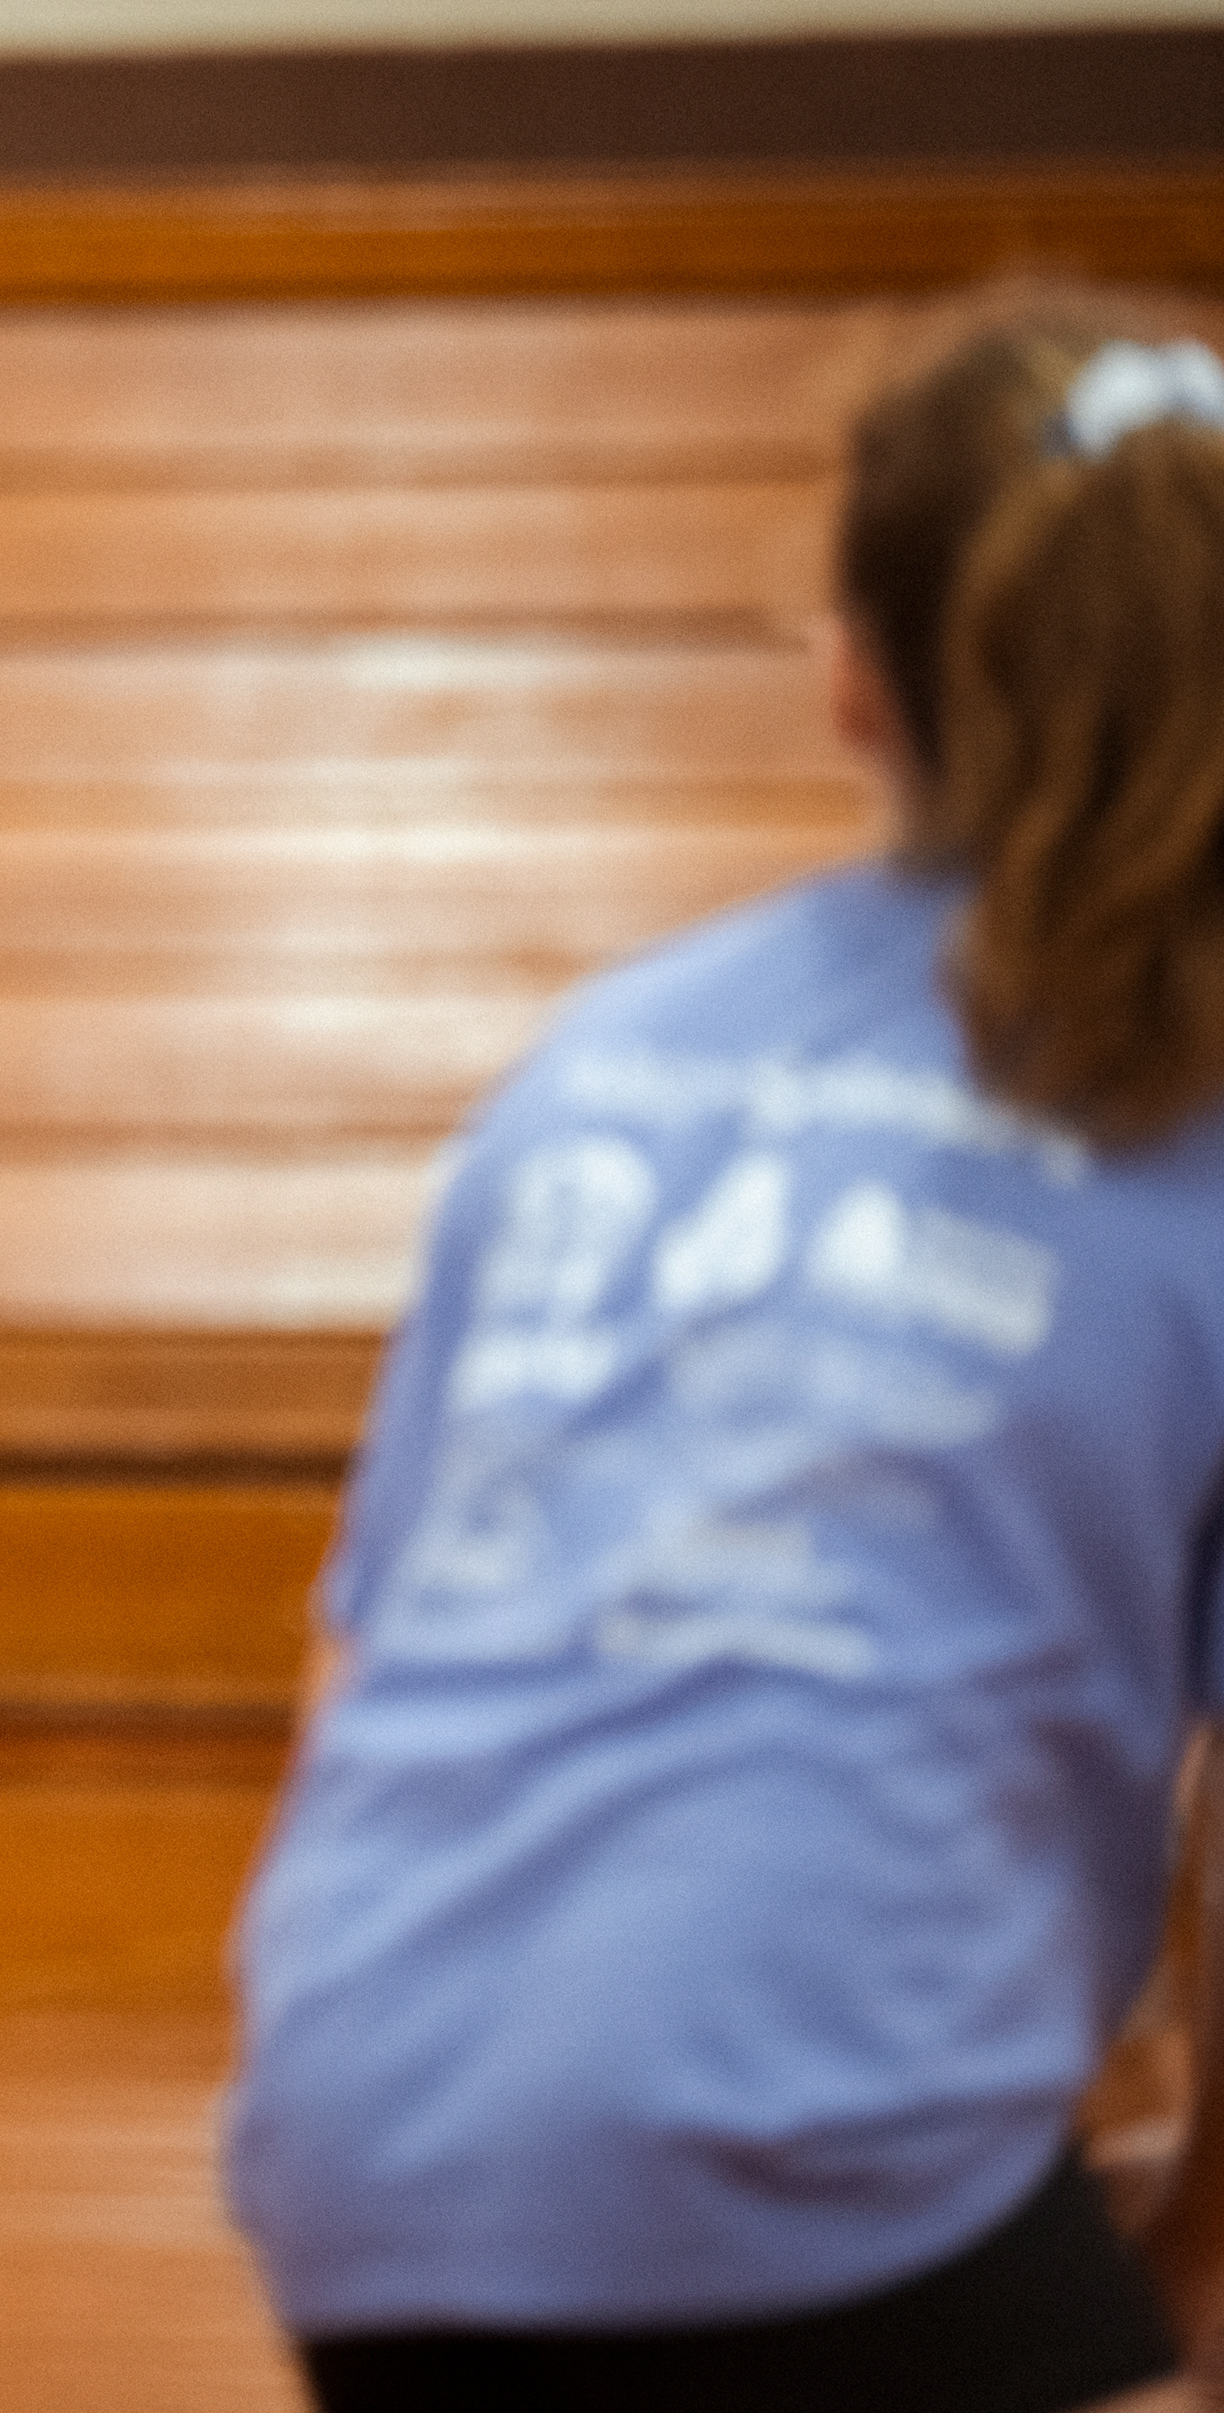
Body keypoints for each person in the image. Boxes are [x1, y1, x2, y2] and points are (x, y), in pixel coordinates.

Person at [224, 305, 1224, 2413]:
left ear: (852, 675)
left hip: (371, 2137)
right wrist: (1200, 2237)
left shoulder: (608, 1051)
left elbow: (368, 1663)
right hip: (815, 2141)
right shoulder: (1186, 1101)